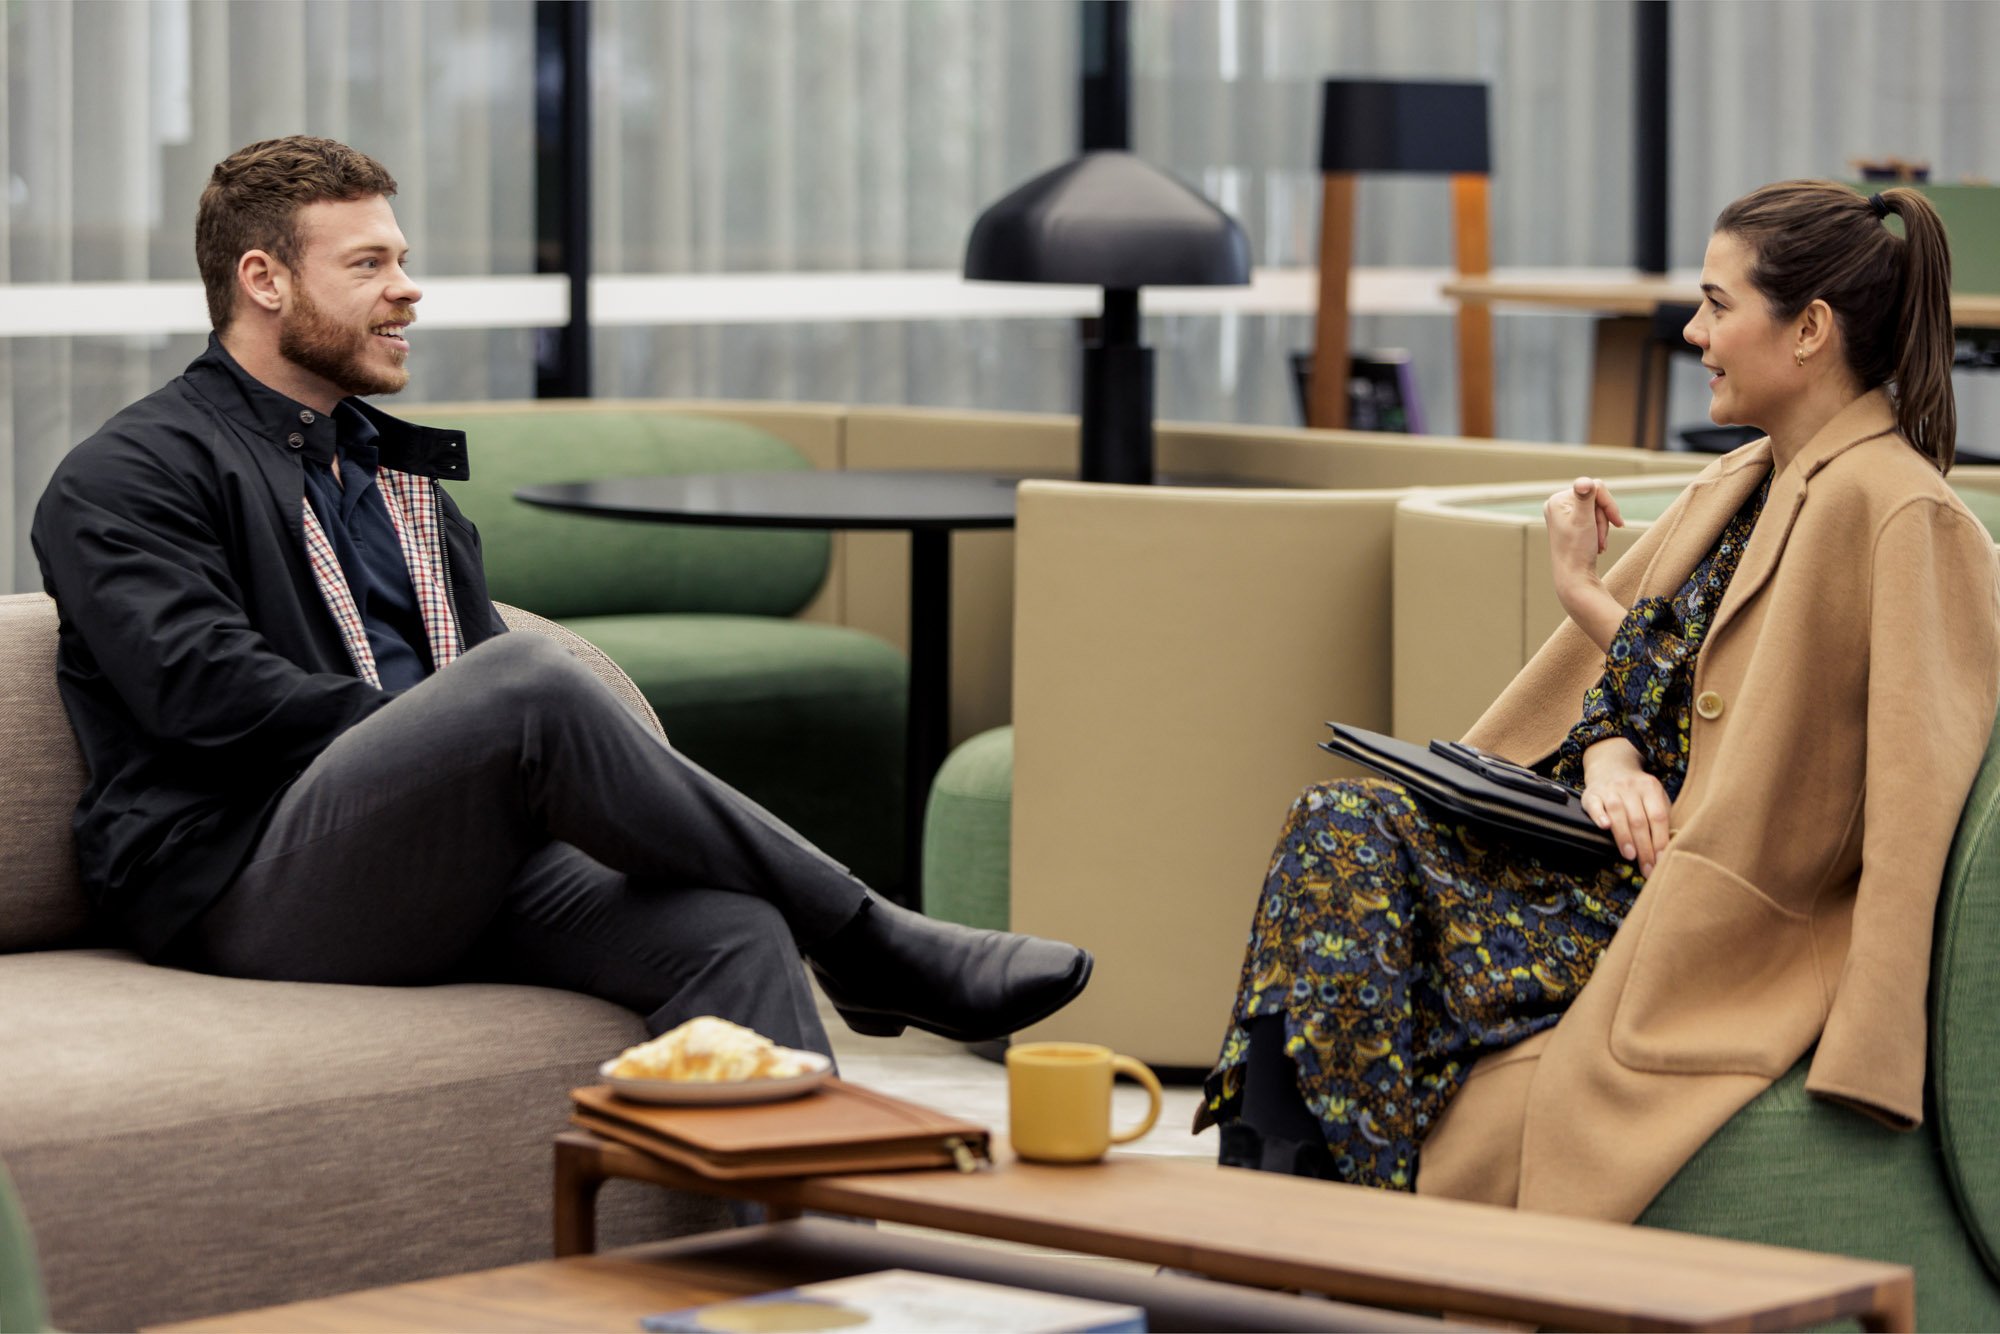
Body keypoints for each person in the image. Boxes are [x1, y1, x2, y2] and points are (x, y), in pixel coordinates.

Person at [30, 135, 1092, 1063]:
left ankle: (806, 1260)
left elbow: (479, 688)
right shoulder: (128, 473)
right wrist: (449, 740)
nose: (408, 289)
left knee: (730, 926)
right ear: (263, 279)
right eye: (369, 264)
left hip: (434, 860)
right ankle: (867, 934)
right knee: (528, 680)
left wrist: (469, 758)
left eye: (403, 259)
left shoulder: (395, 476)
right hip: (244, 876)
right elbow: (204, 693)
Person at [1197, 179, 2000, 1222]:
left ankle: (1289, 1229)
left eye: (1716, 304)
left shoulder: (1903, 515)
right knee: (1337, 822)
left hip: (1689, 914)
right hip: (1599, 863)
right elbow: (1669, 691)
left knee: (1345, 870)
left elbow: (1911, 795)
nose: (1691, 328)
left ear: (1807, 329)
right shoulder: (1746, 479)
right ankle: (1291, 1222)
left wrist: (1874, 1045)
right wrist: (1605, 743)